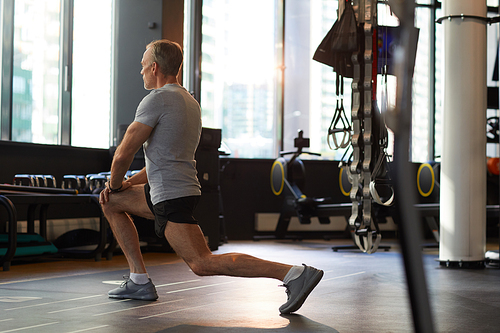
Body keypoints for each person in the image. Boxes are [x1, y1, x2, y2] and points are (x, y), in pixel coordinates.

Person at [99, 39, 323, 314]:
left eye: (143, 66)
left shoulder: (155, 100)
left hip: (170, 194)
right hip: (170, 187)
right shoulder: (189, 102)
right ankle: (138, 280)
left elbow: (123, 153)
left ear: (155, 67)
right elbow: (166, 159)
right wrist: (124, 187)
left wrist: (113, 183)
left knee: (201, 263)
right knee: (112, 203)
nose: (141, 71)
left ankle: (293, 273)